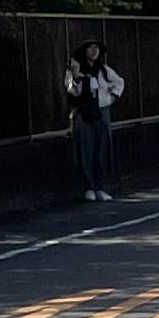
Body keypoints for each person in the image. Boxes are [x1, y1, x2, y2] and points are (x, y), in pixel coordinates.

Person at [63, 38, 124, 202]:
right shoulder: (75, 70)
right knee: (85, 149)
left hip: (101, 111)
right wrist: (78, 77)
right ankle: (89, 186)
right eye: (91, 48)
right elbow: (71, 90)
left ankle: (101, 186)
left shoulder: (103, 70)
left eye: (96, 48)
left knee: (102, 148)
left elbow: (119, 83)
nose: (94, 51)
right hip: (82, 112)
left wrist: (110, 99)